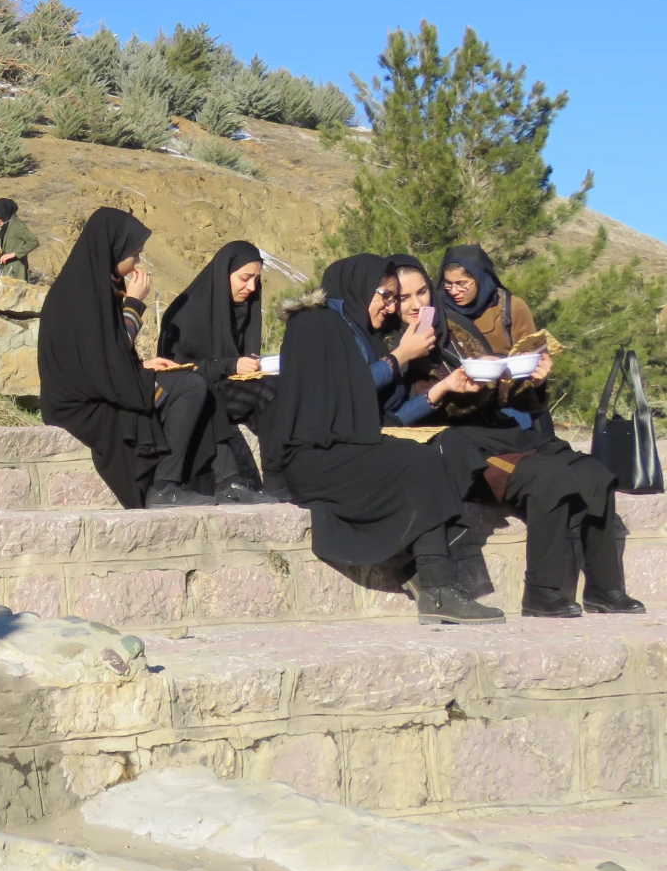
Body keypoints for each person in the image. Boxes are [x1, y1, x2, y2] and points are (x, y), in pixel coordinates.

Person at [390, 255, 641, 617]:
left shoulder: (454, 330)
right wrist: (444, 382)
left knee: (595, 474)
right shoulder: (392, 345)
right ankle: (542, 593)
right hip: (458, 445)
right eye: (404, 297)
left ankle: (605, 588)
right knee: (547, 476)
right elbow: (401, 413)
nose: (416, 304)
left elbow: (503, 393)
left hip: (499, 431)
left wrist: (531, 379)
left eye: (422, 292)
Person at [267, 254, 498, 623]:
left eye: (394, 298)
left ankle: (420, 565)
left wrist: (441, 389)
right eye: (386, 296)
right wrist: (399, 356)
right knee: (418, 462)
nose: (391, 307)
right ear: (358, 288)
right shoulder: (313, 325)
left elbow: (382, 419)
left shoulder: (363, 334)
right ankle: (438, 589)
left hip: (351, 445)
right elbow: (340, 394)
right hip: (314, 455)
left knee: (453, 449)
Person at [38, 207, 243, 509]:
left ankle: (230, 484)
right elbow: (105, 353)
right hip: (82, 401)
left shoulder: (96, 286)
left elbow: (104, 354)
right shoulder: (78, 294)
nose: (137, 262)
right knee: (189, 387)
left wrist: (140, 365)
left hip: (101, 383)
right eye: (134, 254)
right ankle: (164, 487)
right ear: (114, 249)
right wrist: (134, 304)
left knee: (195, 383)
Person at [158, 239, 275, 497]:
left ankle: (280, 479)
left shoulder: (244, 309)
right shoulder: (187, 312)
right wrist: (229, 364)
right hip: (194, 392)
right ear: (224, 274)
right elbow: (175, 370)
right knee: (205, 392)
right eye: (245, 278)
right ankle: (230, 482)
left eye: (256, 280)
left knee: (276, 390)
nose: (251, 287)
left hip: (229, 387)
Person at [436, 244, 552, 432]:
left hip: (509, 406)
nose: (454, 291)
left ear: (480, 278)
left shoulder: (511, 308)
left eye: (462, 284)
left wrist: (538, 377)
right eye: (448, 284)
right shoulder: (438, 311)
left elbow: (532, 354)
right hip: (456, 408)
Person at [0, 200, 39, 282]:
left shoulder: (16, 225)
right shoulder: (6, 225)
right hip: (7, 269)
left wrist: (13, 254)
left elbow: (34, 241)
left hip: (16, 271)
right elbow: (8, 249)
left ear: (2, 212)